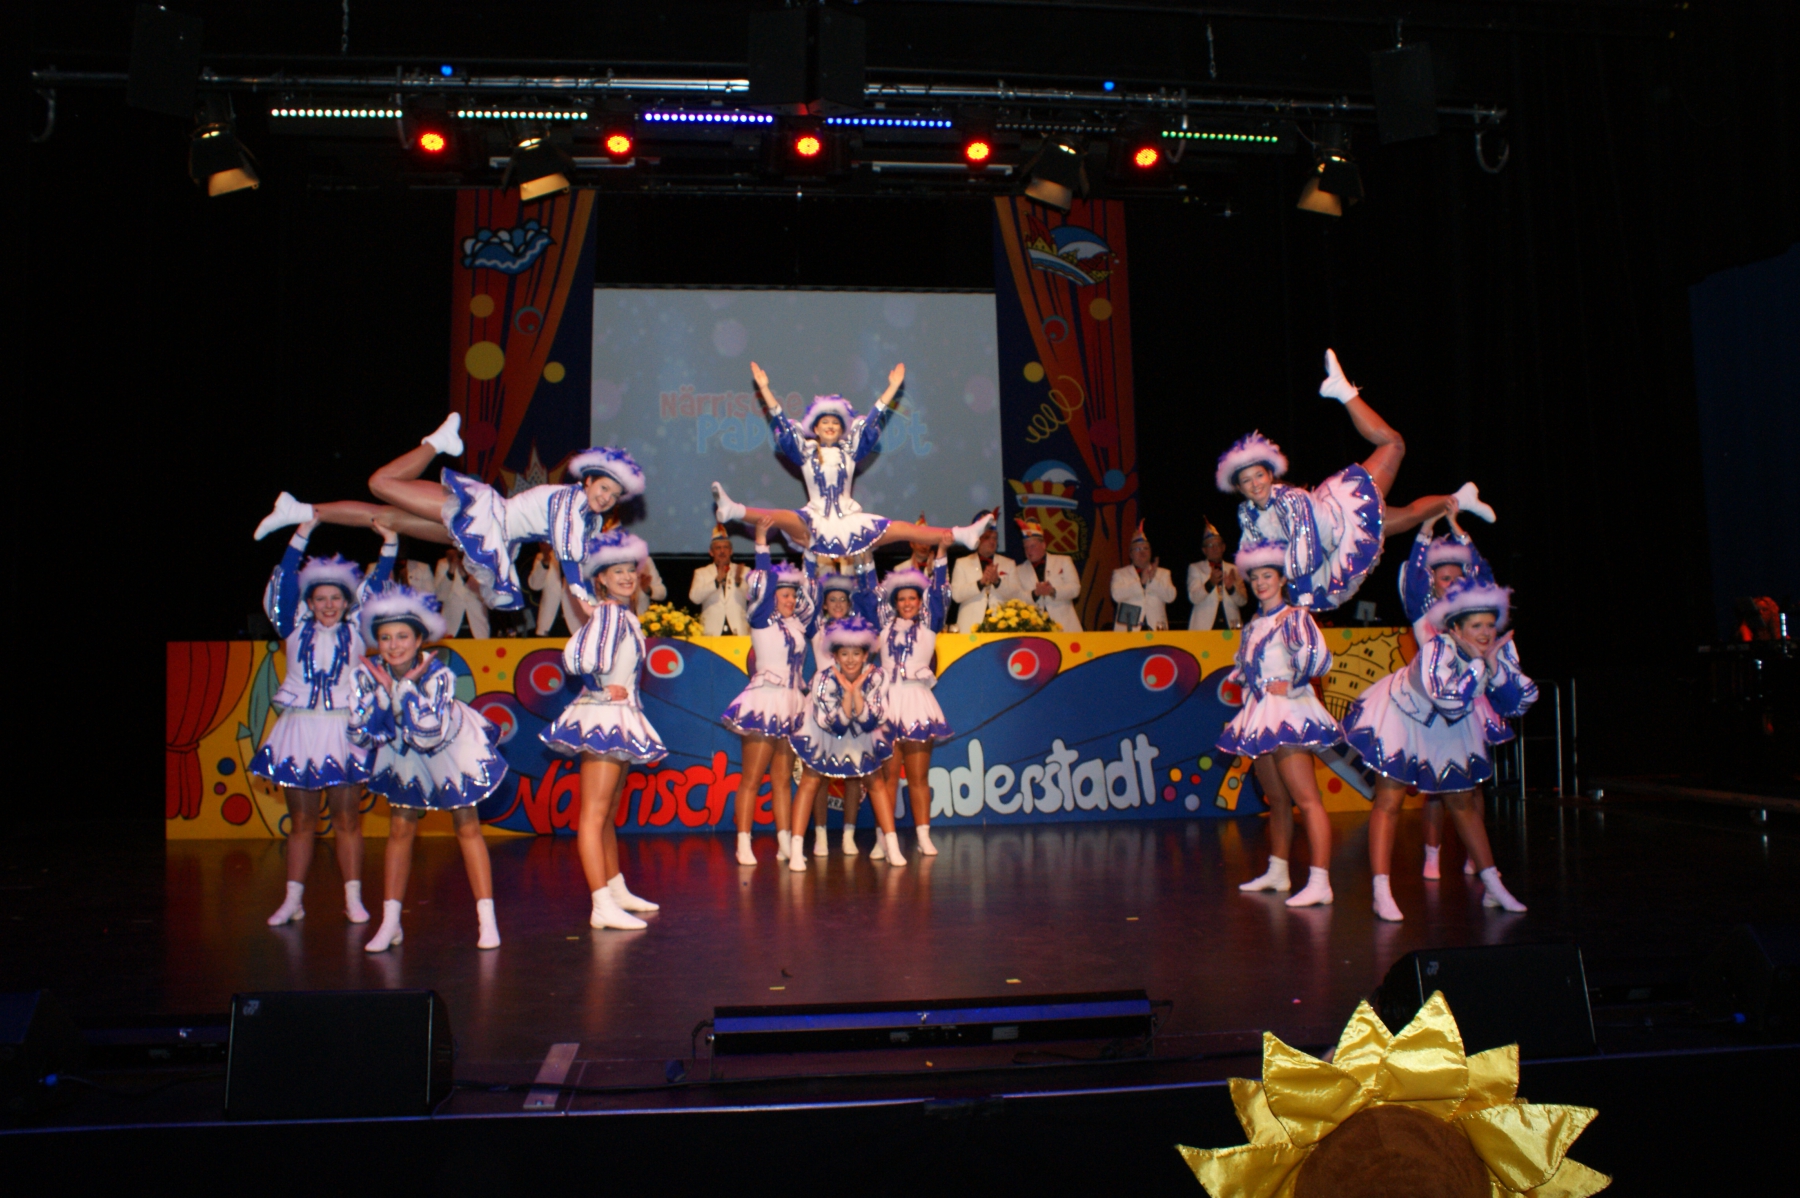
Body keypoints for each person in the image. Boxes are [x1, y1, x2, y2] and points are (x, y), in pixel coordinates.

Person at [253, 416, 646, 617]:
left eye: (613, 496)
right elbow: (567, 551)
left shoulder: (591, 520)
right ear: (587, 480)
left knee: (386, 519)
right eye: (602, 488)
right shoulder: (570, 502)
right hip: (482, 515)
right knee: (380, 483)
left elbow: (587, 559)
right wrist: (583, 597)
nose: (606, 498)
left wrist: (606, 593)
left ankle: (302, 511)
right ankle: (436, 443)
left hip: (491, 535)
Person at [1216, 349, 1495, 612]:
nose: (1255, 484)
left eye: (1259, 475)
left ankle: (1343, 391)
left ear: (1270, 475)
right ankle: (1462, 499)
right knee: (1408, 508)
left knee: (1394, 447)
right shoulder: (1247, 514)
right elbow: (1256, 558)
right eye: (1246, 481)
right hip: (1334, 547)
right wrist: (1274, 601)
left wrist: (1300, 598)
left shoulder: (1290, 500)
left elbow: (1305, 550)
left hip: (1346, 514)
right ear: (1238, 488)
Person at [1342, 577, 1534, 920]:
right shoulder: (1437, 649)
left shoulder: (1495, 650)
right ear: (1455, 629)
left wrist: (1494, 668)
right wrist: (1479, 666)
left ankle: (1493, 886)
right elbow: (1448, 699)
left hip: (1448, 724)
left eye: (1489, 625)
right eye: (1476, 626)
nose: (1485, 633)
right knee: (1389, 800)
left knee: (1462, 802)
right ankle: (1381, 892)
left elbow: (1517, 703)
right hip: (1404, 717)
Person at [350, 584, 509, 951]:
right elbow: (360, 735)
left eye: (402, 636)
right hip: (404, 752)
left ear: (420, 638)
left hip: (447, 748)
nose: (393, 645)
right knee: (400, 827)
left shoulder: (439, 676)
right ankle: (390, 923)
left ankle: (487, 921)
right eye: (385, 638)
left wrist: (404, 688)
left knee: (466, 825)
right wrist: (381, 700)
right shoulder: (368, 676)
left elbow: (428, 734)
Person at [254, 520, 396, 928]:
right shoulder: (292, 627)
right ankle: (292, 901)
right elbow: (284, 584)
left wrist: (389, 544)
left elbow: (376, 586)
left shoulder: (358, 629)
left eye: (336, 598)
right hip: (299, 730)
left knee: (347, 819)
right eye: (320, 598)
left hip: (342, 731)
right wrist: (301, 535)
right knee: (302, 821)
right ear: (310, 602)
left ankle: (353, 899)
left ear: (347, 601)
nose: (329, 605)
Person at [711, 361, 993, 558]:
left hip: (849, 521)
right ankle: (733, 509)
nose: (830, 426)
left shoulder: (849, 451)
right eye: (825, 422)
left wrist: (893, 388)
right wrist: (764, 389)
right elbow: (782, 423)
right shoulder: (805, 451)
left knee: (904, 529)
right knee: (782, 517)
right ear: (815, 428)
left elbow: (872, 420)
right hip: (815, 520)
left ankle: (962, 534)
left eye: (836, 422)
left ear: (842, 429)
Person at [539, 529, 665, 931]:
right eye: (617, 571)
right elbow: (576, 658)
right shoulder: (610, 614)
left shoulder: (624, 615)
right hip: (604, 717)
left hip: (620, 716)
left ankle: (615, 889)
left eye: (631, 570)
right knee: (593, 815)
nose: (627, 577)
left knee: (608, 811)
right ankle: (600, 904)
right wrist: (597, 689)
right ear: (602, 579)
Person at [1220, 541, 1340, 908]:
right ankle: (1278, 870)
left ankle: (1320, 881)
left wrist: (1294, 684)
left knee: (1307, 799)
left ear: (1282, 579)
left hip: (1288, 712)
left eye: (1267, 576)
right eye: (1255, 577)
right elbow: (1247, 668)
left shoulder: (1294, 617)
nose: (1260, 583)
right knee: (1277, 799)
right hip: (1261, 714)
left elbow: (1321, 658)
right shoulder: (1255, 624)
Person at [1396, 500, 1496, 878]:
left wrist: (1458, 530)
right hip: (1432, 708)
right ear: (1432, 581)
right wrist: (1426, 528)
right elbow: (1414, 576)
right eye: (1444, 578)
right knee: (1435, 789)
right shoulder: (1421, 611)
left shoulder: (1470, 615)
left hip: (1469, 704)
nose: (1451, 583)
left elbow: (1484, 575)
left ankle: (1475, 855)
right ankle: (1432, 856)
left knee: (1474, 784)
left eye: (1457, 577)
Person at [720, 518, 813, 866]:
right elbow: (764, 580)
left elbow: (813, 593)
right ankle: (743, 842)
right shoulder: (760, 617)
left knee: (782, 779)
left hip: (791, 702)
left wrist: (809, 553)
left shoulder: (797, 624)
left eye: (793, 595)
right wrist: (762, 541)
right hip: (765, 701)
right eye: (785, 594)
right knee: (752, 778)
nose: (790, 599)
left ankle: (784, 842)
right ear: (771, 596)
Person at [787, 615, 905, 870]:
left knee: (875, 781)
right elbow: (835, 725)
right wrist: (847, 696)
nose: (850, 659)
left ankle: (892, 847)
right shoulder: (823, 679)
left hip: (862, 732)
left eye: (856, 654)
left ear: (865, 655)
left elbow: (871, 721)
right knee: (810, 780)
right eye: (844, 654)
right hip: (825, 733)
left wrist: (855, 693)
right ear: (835, 656)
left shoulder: (877, 677)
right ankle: (796, 851)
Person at [875, 545, 954, 857]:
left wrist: (942, 554)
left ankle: (923, 836)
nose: (907, 603)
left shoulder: (930, 625)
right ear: (894, 603)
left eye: (913, 598)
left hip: (918, 702)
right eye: (902, 599)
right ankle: (884, 838)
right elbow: (868, 590)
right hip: (888, 703)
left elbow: (941, 593)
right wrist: (864, 556)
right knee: (888, 777)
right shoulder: (883, 626)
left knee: (919, 777)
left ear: (921, 602)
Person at [806, 561, 876, 855]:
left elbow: (869, 597)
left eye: (842, 599)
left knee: (854, 772)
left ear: (849, 604)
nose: (837, 604)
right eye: (832, 599)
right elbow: (807, 593)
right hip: (823, 703)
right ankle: (820, 835)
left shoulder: (858, 629)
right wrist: (810, 557)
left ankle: (849, 835)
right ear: (824, 603)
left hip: (853, 700)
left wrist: (860, 560)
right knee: (819, 772)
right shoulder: (816, 626)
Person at [950, 517, 1020, 632]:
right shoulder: (962, 563)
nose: (992, 542)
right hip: (970, 627)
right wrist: (980, 583)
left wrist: (998, 582)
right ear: (978, 539)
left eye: (995, 538)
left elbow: (1017, 594)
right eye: (988, 537)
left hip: (1001, 626)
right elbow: (956, 596)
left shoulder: (1009, 563)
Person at [1013, 517, 1083, 632]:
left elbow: (1075, 589)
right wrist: (1035, 594)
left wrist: (1052, 591)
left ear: (1044, 545)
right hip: (1036, 629)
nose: (1029, 551)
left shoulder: (1063, 561)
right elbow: (1017, 598)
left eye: (1032, 546)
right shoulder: (1018, 570)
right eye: (1026, 547)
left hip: (1065, 628)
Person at [1111, 522, 1176, 631]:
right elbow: (1116, 596)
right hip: (1129, 630)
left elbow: (1170, 597)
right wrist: (1140, 583)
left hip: (1156, 628)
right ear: (1130, 554)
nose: (1142, 552)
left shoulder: (1163, 573)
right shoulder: (1120, 573)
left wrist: (1153, 579)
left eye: (1145, 548)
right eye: (1137, 549)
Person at [689, 525, 751, 636]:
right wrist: (716, 582)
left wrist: (738, 582)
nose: (722, 551)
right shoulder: (701, 572)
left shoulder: (744, 571)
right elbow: (694, 598)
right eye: (718, 548)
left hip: (738, 631)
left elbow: (752, 596)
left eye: (725, 547)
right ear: (711, 552)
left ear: (731, 551)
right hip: (711, 632)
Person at [1187, 519, 1246, 631]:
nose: (1214, 548)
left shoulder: (1234, 569)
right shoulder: (1196, 568)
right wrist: (1210, 583)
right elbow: (1193, 598)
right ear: (1204, 550)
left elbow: (1243, 601)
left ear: (1223, 547)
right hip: (1205, 628)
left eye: (1217, 545)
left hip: (1231, 626)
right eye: (1210, 545)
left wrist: (1231, 589)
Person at [528, 545, 586, 636]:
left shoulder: (582, 557)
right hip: (550, 623)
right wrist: (545, 560)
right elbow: (535, 585)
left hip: (576, 623)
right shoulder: (541, 557)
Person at [434, 547, 490, 638]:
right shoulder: (443, 564)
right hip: (452, 628)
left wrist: (465, 577)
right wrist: (451, 570)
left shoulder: (481, 564)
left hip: (478, 628)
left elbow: (487, 597)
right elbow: (440, 596)